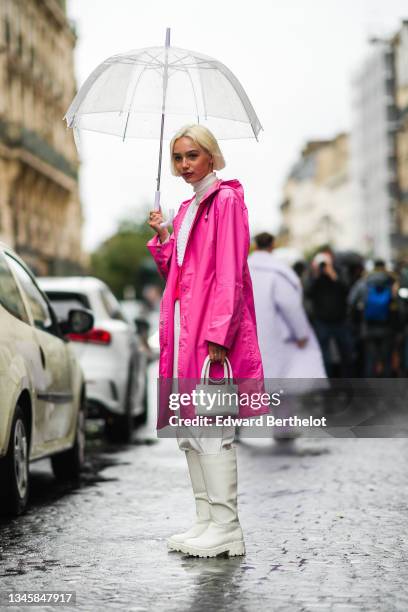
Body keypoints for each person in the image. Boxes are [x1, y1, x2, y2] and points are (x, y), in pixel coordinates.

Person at [147, 125, 268, 558]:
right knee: (190, 430)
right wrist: (164, 237)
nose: (184, 165)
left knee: (213, 429)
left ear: (212, 157)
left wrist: (220, 332)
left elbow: (230, 272)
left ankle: (227, 526)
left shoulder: (227, 201)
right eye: (178, 157)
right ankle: (205, 520)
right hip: (183, 329)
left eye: (192, 155)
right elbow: (179, 275)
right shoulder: (186, 208)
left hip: (209, 332)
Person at [248, 233, 327, 440]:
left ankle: (234, 427)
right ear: (273, 246)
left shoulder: (242, 268)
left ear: (255, 246)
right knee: (282, 383)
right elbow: (290, 306)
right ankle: (283, 428)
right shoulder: (278, 273)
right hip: (275, 336)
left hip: (246, 334)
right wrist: (301, 333)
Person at [305, 252, 354, 377]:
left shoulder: (339, 272)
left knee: (346, 353)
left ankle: (346, 383)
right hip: (322, 321)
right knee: (324, 355)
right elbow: (307, 292)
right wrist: (316, 275)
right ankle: (328, 383)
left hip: (340, 320)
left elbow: (347, 289)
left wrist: (333, 274)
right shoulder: (313, 275)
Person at [348, 259, 398, 377]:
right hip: (387, 327)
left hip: (368, 327)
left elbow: (351, 300)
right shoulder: (392, 281)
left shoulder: (364, 281)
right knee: (387, 359)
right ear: (384, 266)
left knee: (370, 359)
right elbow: (399, 304)